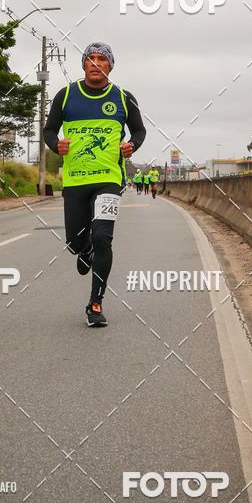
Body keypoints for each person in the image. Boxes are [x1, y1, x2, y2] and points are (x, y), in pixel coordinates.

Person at [43, 42, 146, 327]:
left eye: (102, 59)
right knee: (75, 243)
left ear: (111, 65)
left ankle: (95, 303)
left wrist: (131, 145)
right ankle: (83, 250)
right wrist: (56, 144)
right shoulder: (66, 96)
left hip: (109, 180)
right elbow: (49, 130)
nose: (96, 63)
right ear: (84, 64)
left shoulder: (124, 98)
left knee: (102, 236)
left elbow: (139, 130)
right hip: (75, 181)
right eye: (91, 58)